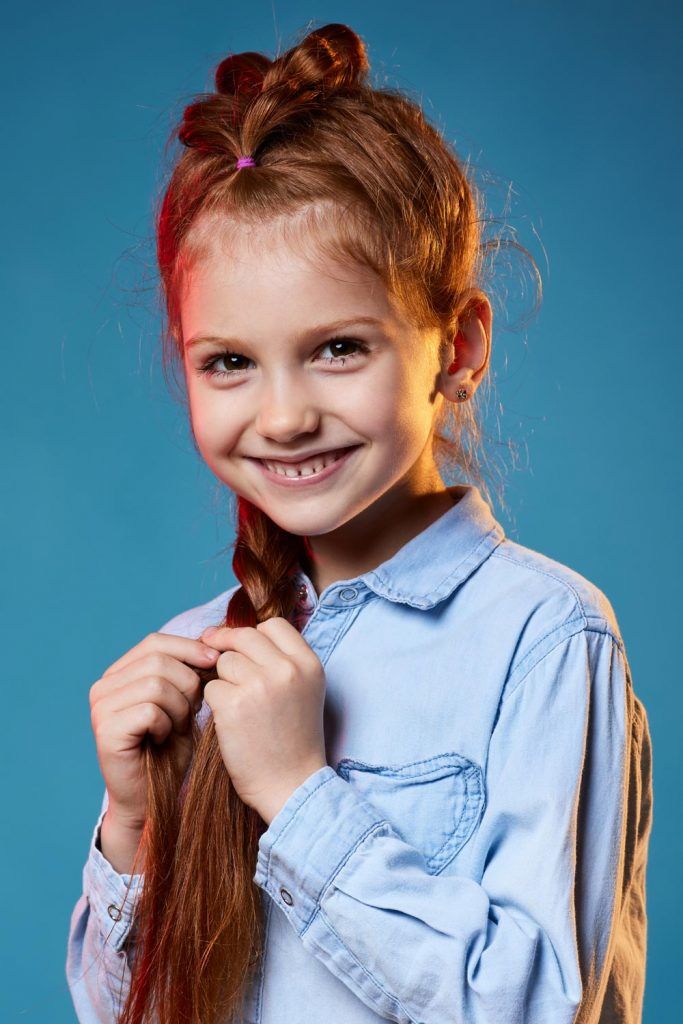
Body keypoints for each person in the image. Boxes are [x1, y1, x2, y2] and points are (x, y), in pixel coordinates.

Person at [65, 21, 653, 1024]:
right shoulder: (195, 655)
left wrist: (301, 796)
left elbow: (543, 1009)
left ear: (455, 347)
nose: (285, 413)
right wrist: (128, 828)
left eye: (338, 347)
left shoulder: (542, 639)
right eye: (229, 361)